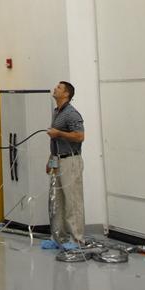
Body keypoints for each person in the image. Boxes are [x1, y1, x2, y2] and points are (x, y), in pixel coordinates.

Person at [42, 80, 85, 252]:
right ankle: (58, 237)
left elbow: (80, 136)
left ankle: (77, 239)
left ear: (66, 94)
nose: (55, 88)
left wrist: (59, 133)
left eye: (59, 88)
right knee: (56, 201)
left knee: (72, 200)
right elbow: (56, 142)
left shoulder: (71, 114)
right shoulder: (56, 112)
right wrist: (51, 161)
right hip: (58, 160)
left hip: (70, 161)